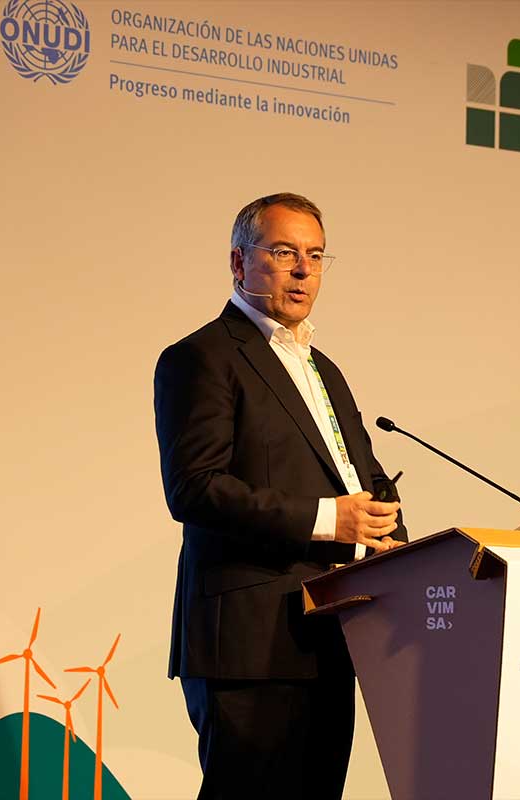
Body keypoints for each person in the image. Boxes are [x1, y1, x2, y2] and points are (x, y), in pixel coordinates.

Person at [153, 192, 405, 799]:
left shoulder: (324, 369)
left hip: (330, 633)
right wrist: (328, 520)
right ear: (239, 262)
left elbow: (362, 476)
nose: (302, 271)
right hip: (249, 642)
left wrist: (396, 543)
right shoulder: (202, 357)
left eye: (315, 256)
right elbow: (195, 488)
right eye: (284, 252)